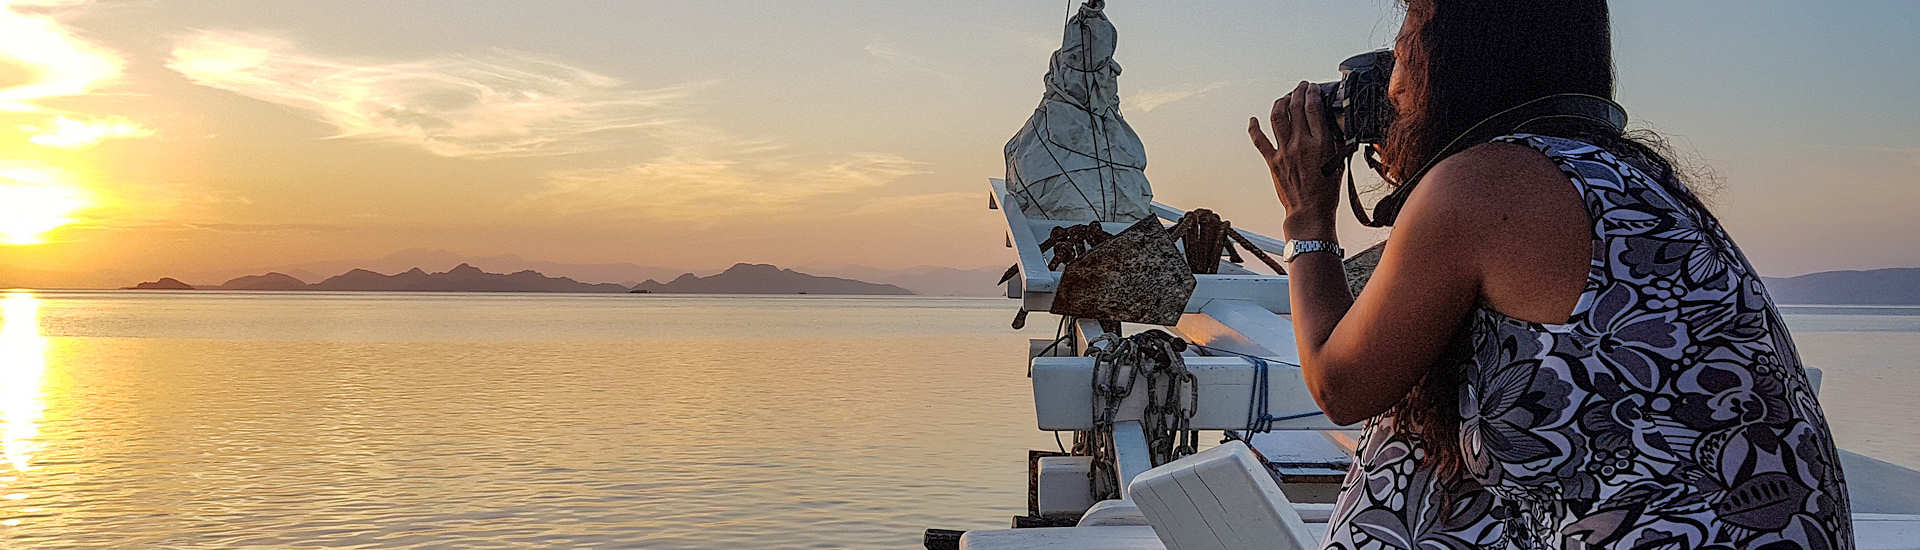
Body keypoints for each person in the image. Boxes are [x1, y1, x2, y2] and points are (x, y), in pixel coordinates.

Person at [1245, 1, 1853, 548]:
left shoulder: (1480, 185)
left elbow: (1340, 385)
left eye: (1403, 57)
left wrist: (1307, 216)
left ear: (1456, 66)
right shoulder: (1620, 177)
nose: (1392, 91)